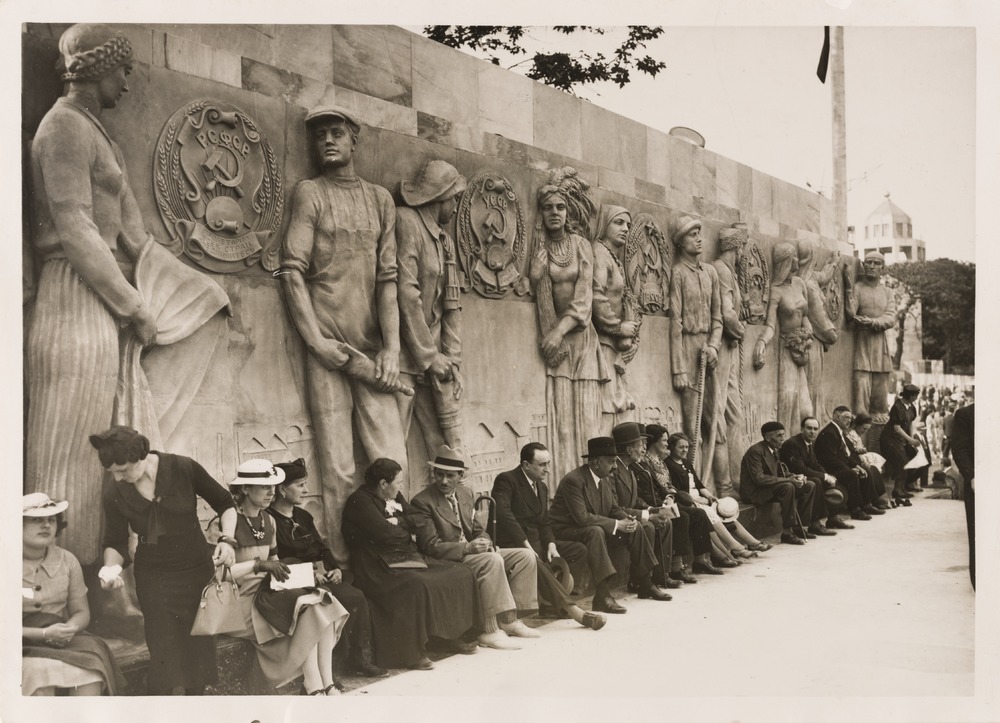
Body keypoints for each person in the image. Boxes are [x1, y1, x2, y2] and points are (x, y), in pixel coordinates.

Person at [25, 25, 157, 563]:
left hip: (101, 298)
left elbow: (132, 231)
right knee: (69, 449)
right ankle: (59, 583)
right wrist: (134, 304)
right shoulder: (61, 128)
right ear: (101, 66)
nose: (128, 83)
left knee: (101, 451)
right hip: (71, 292)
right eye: (124, 70)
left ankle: (93, 577)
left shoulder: (97, 133)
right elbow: (75, 225)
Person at [280, 105, 409, 562]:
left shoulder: (379, 199)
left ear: (355, 140)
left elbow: (388, 279)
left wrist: (392, 349)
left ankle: (396, 551)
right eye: (319, 136)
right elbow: (292, 272)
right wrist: (316, 342)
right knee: (337, 467)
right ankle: (347, 562)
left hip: (373, 351)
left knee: (392, 459)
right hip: (328, 349)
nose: (327, 142)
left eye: (337, 133)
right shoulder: (309, 193)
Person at [93, 426, 237, 695]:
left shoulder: (183, 468)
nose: (119, 477)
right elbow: (114, 542)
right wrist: (110, 569)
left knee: (199, 654)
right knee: (164, 654)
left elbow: (225, 502)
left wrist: (227, 540)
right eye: (113, 472)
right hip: (154, 578)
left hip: (197, 571)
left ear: (140, 455)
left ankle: (194, 708)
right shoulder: (115, 491)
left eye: (123, 469)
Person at [342, 458, 477, 671]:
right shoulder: (360, 502)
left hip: (405, 558)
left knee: (460, 572)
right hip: (375, 566)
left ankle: (450, 635)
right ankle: (410, 653)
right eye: (398, 482)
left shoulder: (394, 496)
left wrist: (398, 522)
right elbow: (386, 536)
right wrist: (404, 531)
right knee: (416, 583)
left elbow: (418, 520)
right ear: (383, 484)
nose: (401, 487)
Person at [225, 460, 348, 695]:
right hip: (238, 602)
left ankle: (327, 682)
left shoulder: (267, 520)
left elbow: (276, 564)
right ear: (244, 489)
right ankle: (313, 687)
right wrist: (258, 564)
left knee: (323, 600)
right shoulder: (227, 523)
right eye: (264, 487)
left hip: (266, 594)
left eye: (273, 486)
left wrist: (302, 573)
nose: (271, 492)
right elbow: (219, 574)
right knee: (307, 611)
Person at [267, 459, 388, 679]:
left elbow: (322, 548)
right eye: (300, 485)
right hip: (295, 582)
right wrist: (310, 575)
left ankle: (358, 659)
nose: (306, 490)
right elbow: (279, 561)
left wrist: (335, 569)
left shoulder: (303, 516)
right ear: (282, 490)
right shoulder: (270, 520)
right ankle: (324, 673)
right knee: (333, 600)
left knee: (356, 595)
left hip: (321, 577)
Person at [412, 445, 540, 650]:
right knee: (493, 560)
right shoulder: (422, 501)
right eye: (439, 474)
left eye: (450, 476)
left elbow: (479, 529)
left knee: (524, 556)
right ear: (434, 474)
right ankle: (488, 631)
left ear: (460, 476)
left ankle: (509, 620)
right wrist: (468, 548)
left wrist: (486, 542)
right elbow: (430, 546)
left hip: (473, 553)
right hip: (449, 558)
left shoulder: (465, 493)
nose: (444, 481)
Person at [528, 168, 608, 481]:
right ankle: (562, 486)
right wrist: (535, 275)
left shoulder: (580, 246)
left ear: (568, 210)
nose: (554, 213)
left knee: (588, 419)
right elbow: (539, 292)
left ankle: (593, 485)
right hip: (556, 344)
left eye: (560, 207)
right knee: (561, 423)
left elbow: (584, 300)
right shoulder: (540, 250)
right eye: (548, 208)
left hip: (581, 339)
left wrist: (558, 331)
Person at [491, 442, 607, 630]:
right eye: (542, 465)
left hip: (535, 542)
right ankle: (573, 610)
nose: (548, 470)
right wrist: (525, 543)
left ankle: (554, 605)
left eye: (548, 464)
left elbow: (544, 521)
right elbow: (504, 515)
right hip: (513, 543)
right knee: (533, 559)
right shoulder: (506, 480)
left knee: (578, 550)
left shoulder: (541, 487)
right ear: (526, 465)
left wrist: (552, 544)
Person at [396, 160, 468, 455]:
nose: (454, 204)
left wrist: (452, 361)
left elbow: (452, 307)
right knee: (394, 445)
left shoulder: (445, 242)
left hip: (435, 361)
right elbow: (406, 292)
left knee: (445, 448)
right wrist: (429, 356)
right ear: (440, 198)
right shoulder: (407, 222)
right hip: (404, 358)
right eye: (453, 197)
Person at [22, 493, 124, 696]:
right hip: (19, 643)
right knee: (39, 672)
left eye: (51, 520)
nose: (47, 525)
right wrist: (43, 634)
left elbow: (81, 611)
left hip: (61, 641)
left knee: (91, 669)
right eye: (37, 520)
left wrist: (68, 629)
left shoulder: (67, 561)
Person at [549, 436, 662, 614]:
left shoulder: (604, 478)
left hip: (589, 527)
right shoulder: (574, 480)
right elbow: (582, 518)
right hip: (566, 530)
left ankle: (645, 583)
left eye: (615, 462)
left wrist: (628, 520)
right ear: (595, 462)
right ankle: (602, 596)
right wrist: (618, 524)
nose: (615, 467)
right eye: (611, 462)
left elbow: (613, 509)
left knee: (639, 527)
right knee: (595, 531)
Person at [669, 215, 723, 484]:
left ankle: (719, 485)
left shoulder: (710, 272)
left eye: (700, 233)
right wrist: (679, 369)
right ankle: (695, 484)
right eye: (692, 235)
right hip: (688, 347)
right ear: (681, 242)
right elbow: (675, 323)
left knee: (714, 421)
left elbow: (718, 317)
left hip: (709, 349)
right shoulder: (678, 272)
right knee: (692, 428)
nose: (699, 239)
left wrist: (714, 346)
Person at [664, 433, 756, 568]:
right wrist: (697, 500)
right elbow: (678, 492)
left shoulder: (686, 463)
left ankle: (740, 546)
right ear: (672, 448)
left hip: (699, 499)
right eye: (681, 447)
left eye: (686, 447)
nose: (684, 450)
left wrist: (709, 496)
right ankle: (730, 551)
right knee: (709, 513)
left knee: (722, 511)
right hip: (687, 501)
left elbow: (699, 484)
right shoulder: (669, 464)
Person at [752, 243, 814, 436]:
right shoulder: (776, 290)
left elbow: (806, 318)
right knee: (788, 404)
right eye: (794, 256)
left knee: (806, 409)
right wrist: (762, 342)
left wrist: (807, 337)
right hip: (786, 349)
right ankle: (784, 449)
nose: (797, 260)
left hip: (802, 351)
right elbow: (771, 325)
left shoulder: (799, 284)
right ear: (786, 261)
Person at [607, 423, 675, 596]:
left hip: (630, 515)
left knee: (664, 522)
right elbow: (614, 506)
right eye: (640, 445)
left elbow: (635, 499)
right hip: (616, 520)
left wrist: (653, 509)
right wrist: (647, 516)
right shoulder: (614, 471)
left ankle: (661, 574)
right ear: (629, 449)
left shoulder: (630, 469)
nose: (644, 449)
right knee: (648, 526)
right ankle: (644, 581)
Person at [709, 228, 748, 498]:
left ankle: (737, 478)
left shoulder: (729, 272)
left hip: (730, 351)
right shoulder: (721, 270)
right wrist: (741, 329)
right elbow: (726, 312)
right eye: (742, 249)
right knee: (719, 416)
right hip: (721, 350)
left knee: (733, 414)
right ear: (737, 248)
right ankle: (723, 484)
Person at [591, 204, 638, 416]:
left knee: (617, 406)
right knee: (608, 405)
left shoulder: (612, 257)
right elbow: (596, 294)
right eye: (618, 222)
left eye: (628, 224)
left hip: (614, 344)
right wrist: (618, 328)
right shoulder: (599, 253)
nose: (625, 229)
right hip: (603, 343)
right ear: (604, 224)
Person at [739, 422, 816, 545]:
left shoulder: (774, 449)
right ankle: (787, 532)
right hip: (755, 492)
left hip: (769, 488)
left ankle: (800, 528)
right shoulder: (755, 451)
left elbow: (781, 472)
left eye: (783, 435)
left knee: (809, 485)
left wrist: (794, 476)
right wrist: (788, 480)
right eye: (779, 435)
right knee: (788, 487)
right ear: (768, 437)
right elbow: (759, 479)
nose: (782, 439)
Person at [845, 251, 896, 422]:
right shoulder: (858, 288)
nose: (872, 266)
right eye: (868, 262)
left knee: (881, 380)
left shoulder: (887, 292)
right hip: (863, 340)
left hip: (880, 342)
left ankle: (878, 414)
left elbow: (891, 317)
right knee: (862, 377)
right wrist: (847, 287)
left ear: (882, 267)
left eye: (876, 263)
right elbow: (851, 312)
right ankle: (861, 416)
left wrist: (873, 322)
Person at [814, 407, 885, 519]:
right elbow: (829, 459)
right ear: (837, 417)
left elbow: (847, 454)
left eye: (850, 418)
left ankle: (867, 505)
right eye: (846, 417)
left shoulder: (839, 432)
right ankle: (855, 509)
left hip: (839, 465)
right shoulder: (829, 433)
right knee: (851, 474)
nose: (849, 421)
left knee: (864, 470)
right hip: (829, 468)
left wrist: (857, 466)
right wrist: (849, 468)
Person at [779, 416, 841, 536]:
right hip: (792, 478)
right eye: (809, 428)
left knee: (828, 478)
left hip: (802, 477)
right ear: (802, 429)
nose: (813, 432)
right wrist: (823, 477)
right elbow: (800, 468)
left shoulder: (808, 443)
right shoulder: (792, 444)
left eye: (815, 429)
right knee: (817, 481)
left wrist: (827, 475)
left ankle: (832, 517)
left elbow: (815, 464)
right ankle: (815, 524)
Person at [880, 384, 922, 504]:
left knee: (915, 457)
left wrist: (912, 437)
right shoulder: (897, 407)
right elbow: (897, 428)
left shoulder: (912, 407)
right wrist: (910, 440)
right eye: (915, 396)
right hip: (890, 439)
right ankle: (898, 490)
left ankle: (905, 485)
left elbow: (910, 424)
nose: (916, 398)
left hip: (902, 439)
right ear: (909, 396)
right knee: (902, 461)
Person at [844, 413, 891, 510]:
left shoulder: (857, 436)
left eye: (867, 430)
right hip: (852, 461)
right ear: (857, 425)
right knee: (869, 470)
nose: (864, 432)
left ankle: (881, 498)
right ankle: (875, 500)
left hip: (857, 459)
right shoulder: (850, 436)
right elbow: (850, 453)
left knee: (874, 470)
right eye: (863, 429)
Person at [950, 403, 975, 589]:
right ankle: (980, 583)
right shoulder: (966, 414)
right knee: (978, 536)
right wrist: (972, 476)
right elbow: (959, 449)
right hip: (979, 485)